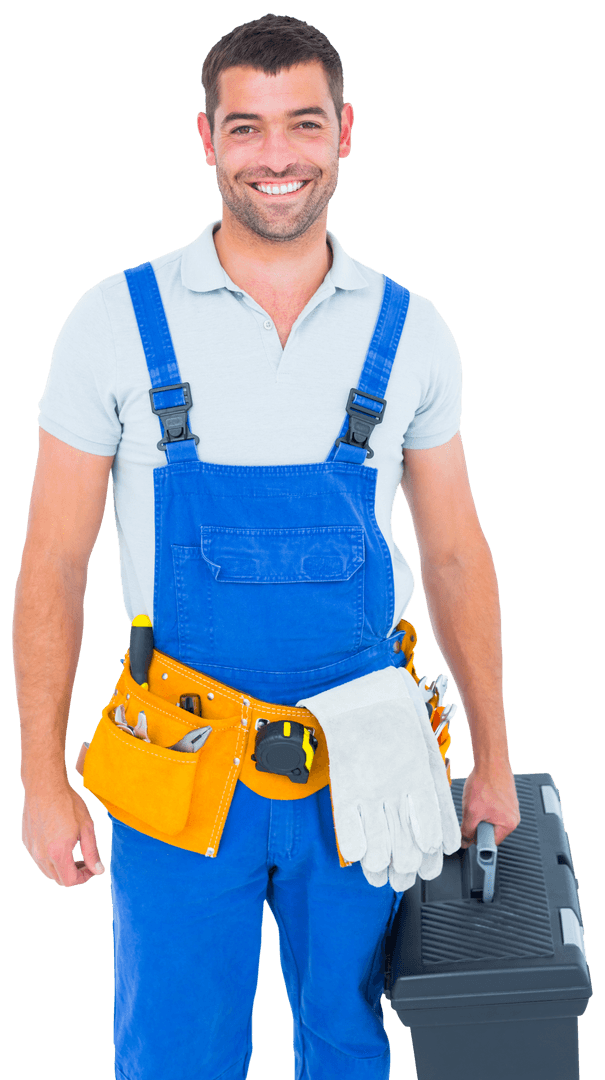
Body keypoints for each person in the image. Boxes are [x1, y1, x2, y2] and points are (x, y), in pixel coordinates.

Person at [14, 13, 520, 1080]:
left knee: (349, 1044)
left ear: (345, 132)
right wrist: (41, 776)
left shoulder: (409, 330)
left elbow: (454, 555)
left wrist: (492, 759)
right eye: (246, 127)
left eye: (302, 124)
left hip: (365, 768)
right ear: (207, 139)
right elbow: (52, 562)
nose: (275, 156)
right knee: (173, 1056)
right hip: (176, 761)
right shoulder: (114, 320)